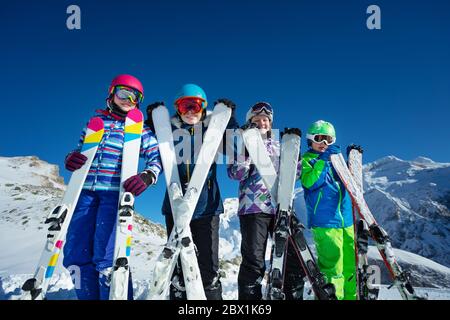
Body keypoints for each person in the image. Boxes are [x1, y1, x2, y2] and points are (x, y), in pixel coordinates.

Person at [62, 74, 162, 300]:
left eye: (134, 96)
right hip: (84, 193)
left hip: (113, 196)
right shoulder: (95, 124)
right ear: (111, 94)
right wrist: (71, 158)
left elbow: (156, 158)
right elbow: (79, 149)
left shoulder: (140, 131)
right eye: (122, 93)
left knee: (107, 254)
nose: (128, 99)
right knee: (75, 252)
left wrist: (147, 175)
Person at [145, 83, 239, 300]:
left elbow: (236, 148)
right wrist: (152, 123)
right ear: (177, 108)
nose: (189, 111)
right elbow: (147, 145)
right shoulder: (169, 133)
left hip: (206, 207)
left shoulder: (211, 132)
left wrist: (229, 120)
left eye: (195, 106)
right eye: (184, 105)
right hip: (174, 204)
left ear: (203, 108)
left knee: (208, 266)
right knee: (177, 264)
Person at [227, 102, 305, 300]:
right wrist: (247, 150)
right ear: (250, 123)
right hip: (254, 209)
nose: (262, 123)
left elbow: (295, 175)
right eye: (257, 120)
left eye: (266, 120)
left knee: (293, 257)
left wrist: (294, 151)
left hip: (281, 207)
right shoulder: (242, 145)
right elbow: (235, 173)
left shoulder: (279, 145)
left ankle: (291, 295)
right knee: (254, 260)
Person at [301, 120, 356, 300]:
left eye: (328, 140)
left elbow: (350, 184)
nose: (324, 144)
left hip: (346, 220)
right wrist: (323, 161)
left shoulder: (335, 160)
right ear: (310, 140)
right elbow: (310, 182)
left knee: (349, 265)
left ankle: (350, 297)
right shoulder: (308, 160)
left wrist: (351, 161)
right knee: (333, 267)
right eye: (319, 139)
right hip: (325, 222)